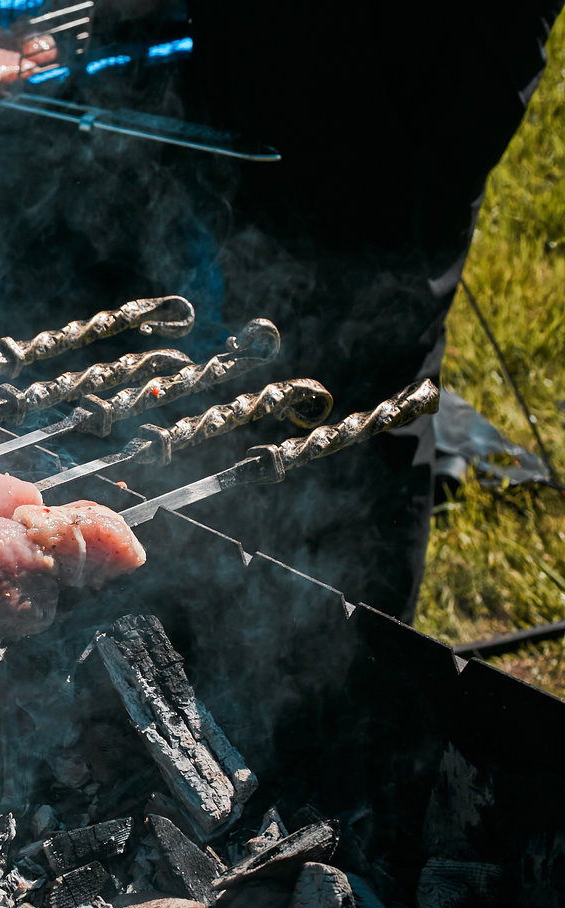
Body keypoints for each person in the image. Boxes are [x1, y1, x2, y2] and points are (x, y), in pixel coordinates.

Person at [166, 1, 564, 621]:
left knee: (382, 355)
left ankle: (360, 652)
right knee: (267, 327)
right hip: (279, 52)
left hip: (428, 53)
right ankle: (253, 622)